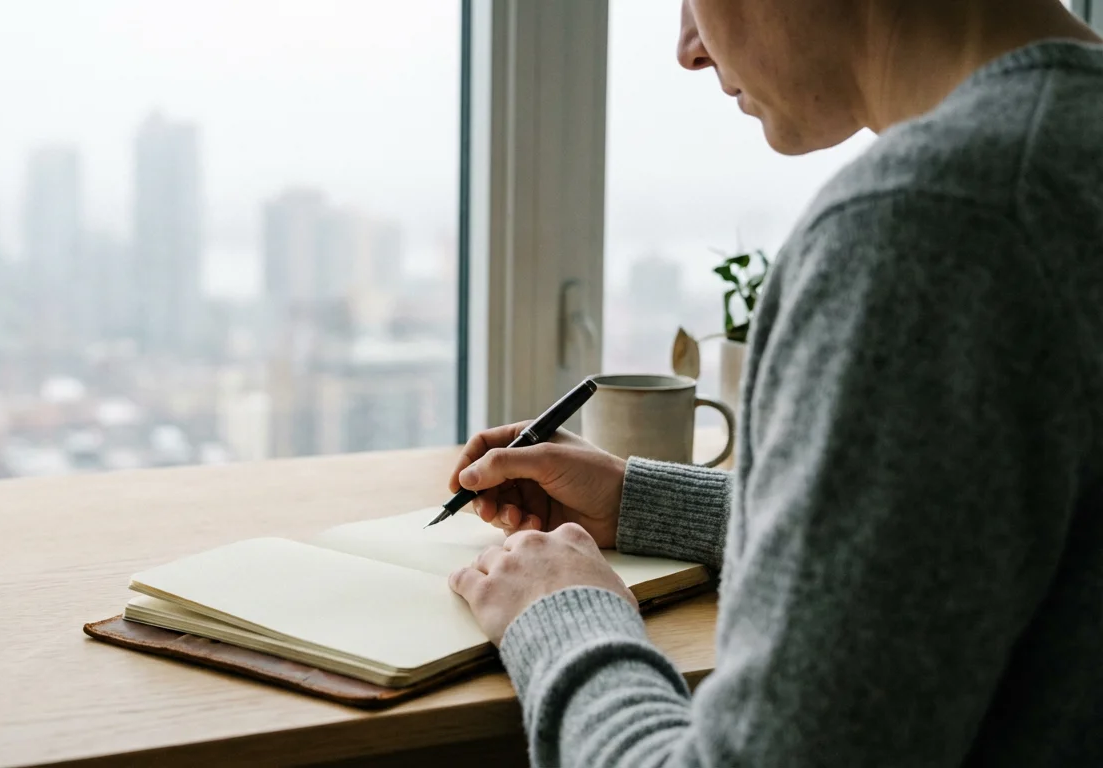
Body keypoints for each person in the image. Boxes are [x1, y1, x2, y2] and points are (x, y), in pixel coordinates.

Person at [445, 0, 1103, 765]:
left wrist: (560, 615)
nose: (688, 48)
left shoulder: (931, 223)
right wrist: (645, 503)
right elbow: (977, 536)